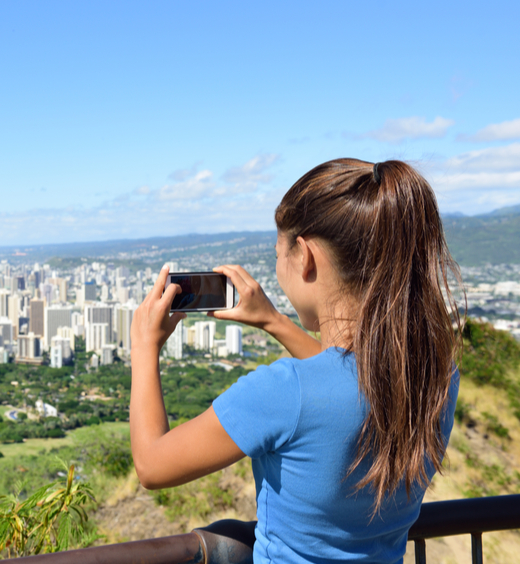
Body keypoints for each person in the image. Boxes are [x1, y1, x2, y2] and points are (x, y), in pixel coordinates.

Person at [129, 158, 460, 563]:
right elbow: (348, 379)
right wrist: (273, 321)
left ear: (305, 256)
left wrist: (144, 348)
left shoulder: (284, 392)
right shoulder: (435, 376)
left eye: (278, 254)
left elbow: (152, 465)